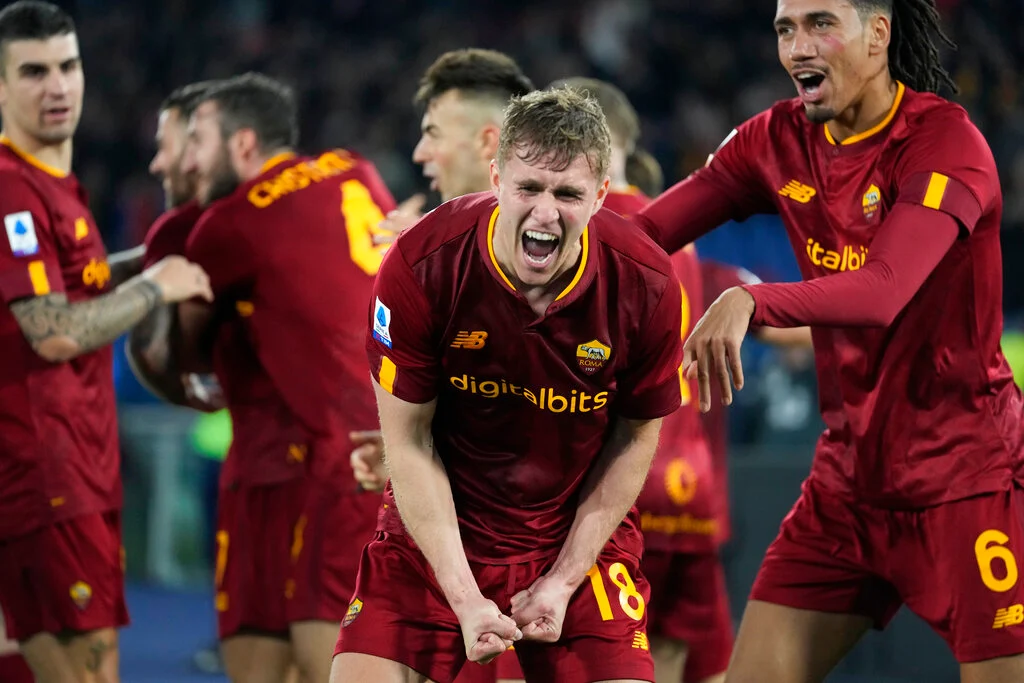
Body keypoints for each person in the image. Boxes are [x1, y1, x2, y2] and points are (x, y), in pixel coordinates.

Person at [636, 0, 1024, 681]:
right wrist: (530, 253)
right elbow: (643, 235)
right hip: (847, 485)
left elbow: (883, 290)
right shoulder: (773, 139)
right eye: (785, 29)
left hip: (967, 480)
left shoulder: (944, 144)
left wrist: (753, 299)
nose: (798, 47)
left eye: (821, 23)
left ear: (878, 34)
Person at [333, 86, 683, 683]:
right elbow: (410, 445)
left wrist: (564, 579)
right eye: (529, 188)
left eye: (568, 194)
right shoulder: (421, 264)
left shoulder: (646, 283)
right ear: (496, 178)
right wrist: (464, 597)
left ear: (600, 195)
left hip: (576, 536)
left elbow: (635, 439)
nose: (545, 213)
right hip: (438, 532)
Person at [0, 3, 212, 682]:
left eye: (68, 66)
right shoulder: (11, 189)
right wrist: (157, 286)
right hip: (47, 478)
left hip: (75, 469)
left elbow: (79, 286)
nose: (57, 86)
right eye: (33, 71)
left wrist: (148, 261)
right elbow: (54, 331)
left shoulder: (55, 187)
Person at [174, 72, 394, 683]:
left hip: (338, 460)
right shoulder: (352, 167)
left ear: (242, 144)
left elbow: (186, 351)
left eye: (198, 143)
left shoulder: (229, 223)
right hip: (379, 437)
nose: (187, 163)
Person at [350, 49, 535, 683]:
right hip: (421, 533)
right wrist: (407, 447)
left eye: (432, 133)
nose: (421, 153)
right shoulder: (424, 253)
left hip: (519, 549)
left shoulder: (554, 262)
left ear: (487, 141)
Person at [555, 76, 729, 683]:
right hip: (688, 485)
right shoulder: (678, 234)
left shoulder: (583, 227)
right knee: (673, 660)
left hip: (608, 485)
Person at [128, 78, 224, 410]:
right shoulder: (293, 201)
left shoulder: (178, 229)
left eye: (164, 147)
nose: (156, 164)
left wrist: (191, 396)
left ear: (198, 147)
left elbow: (150, 353)